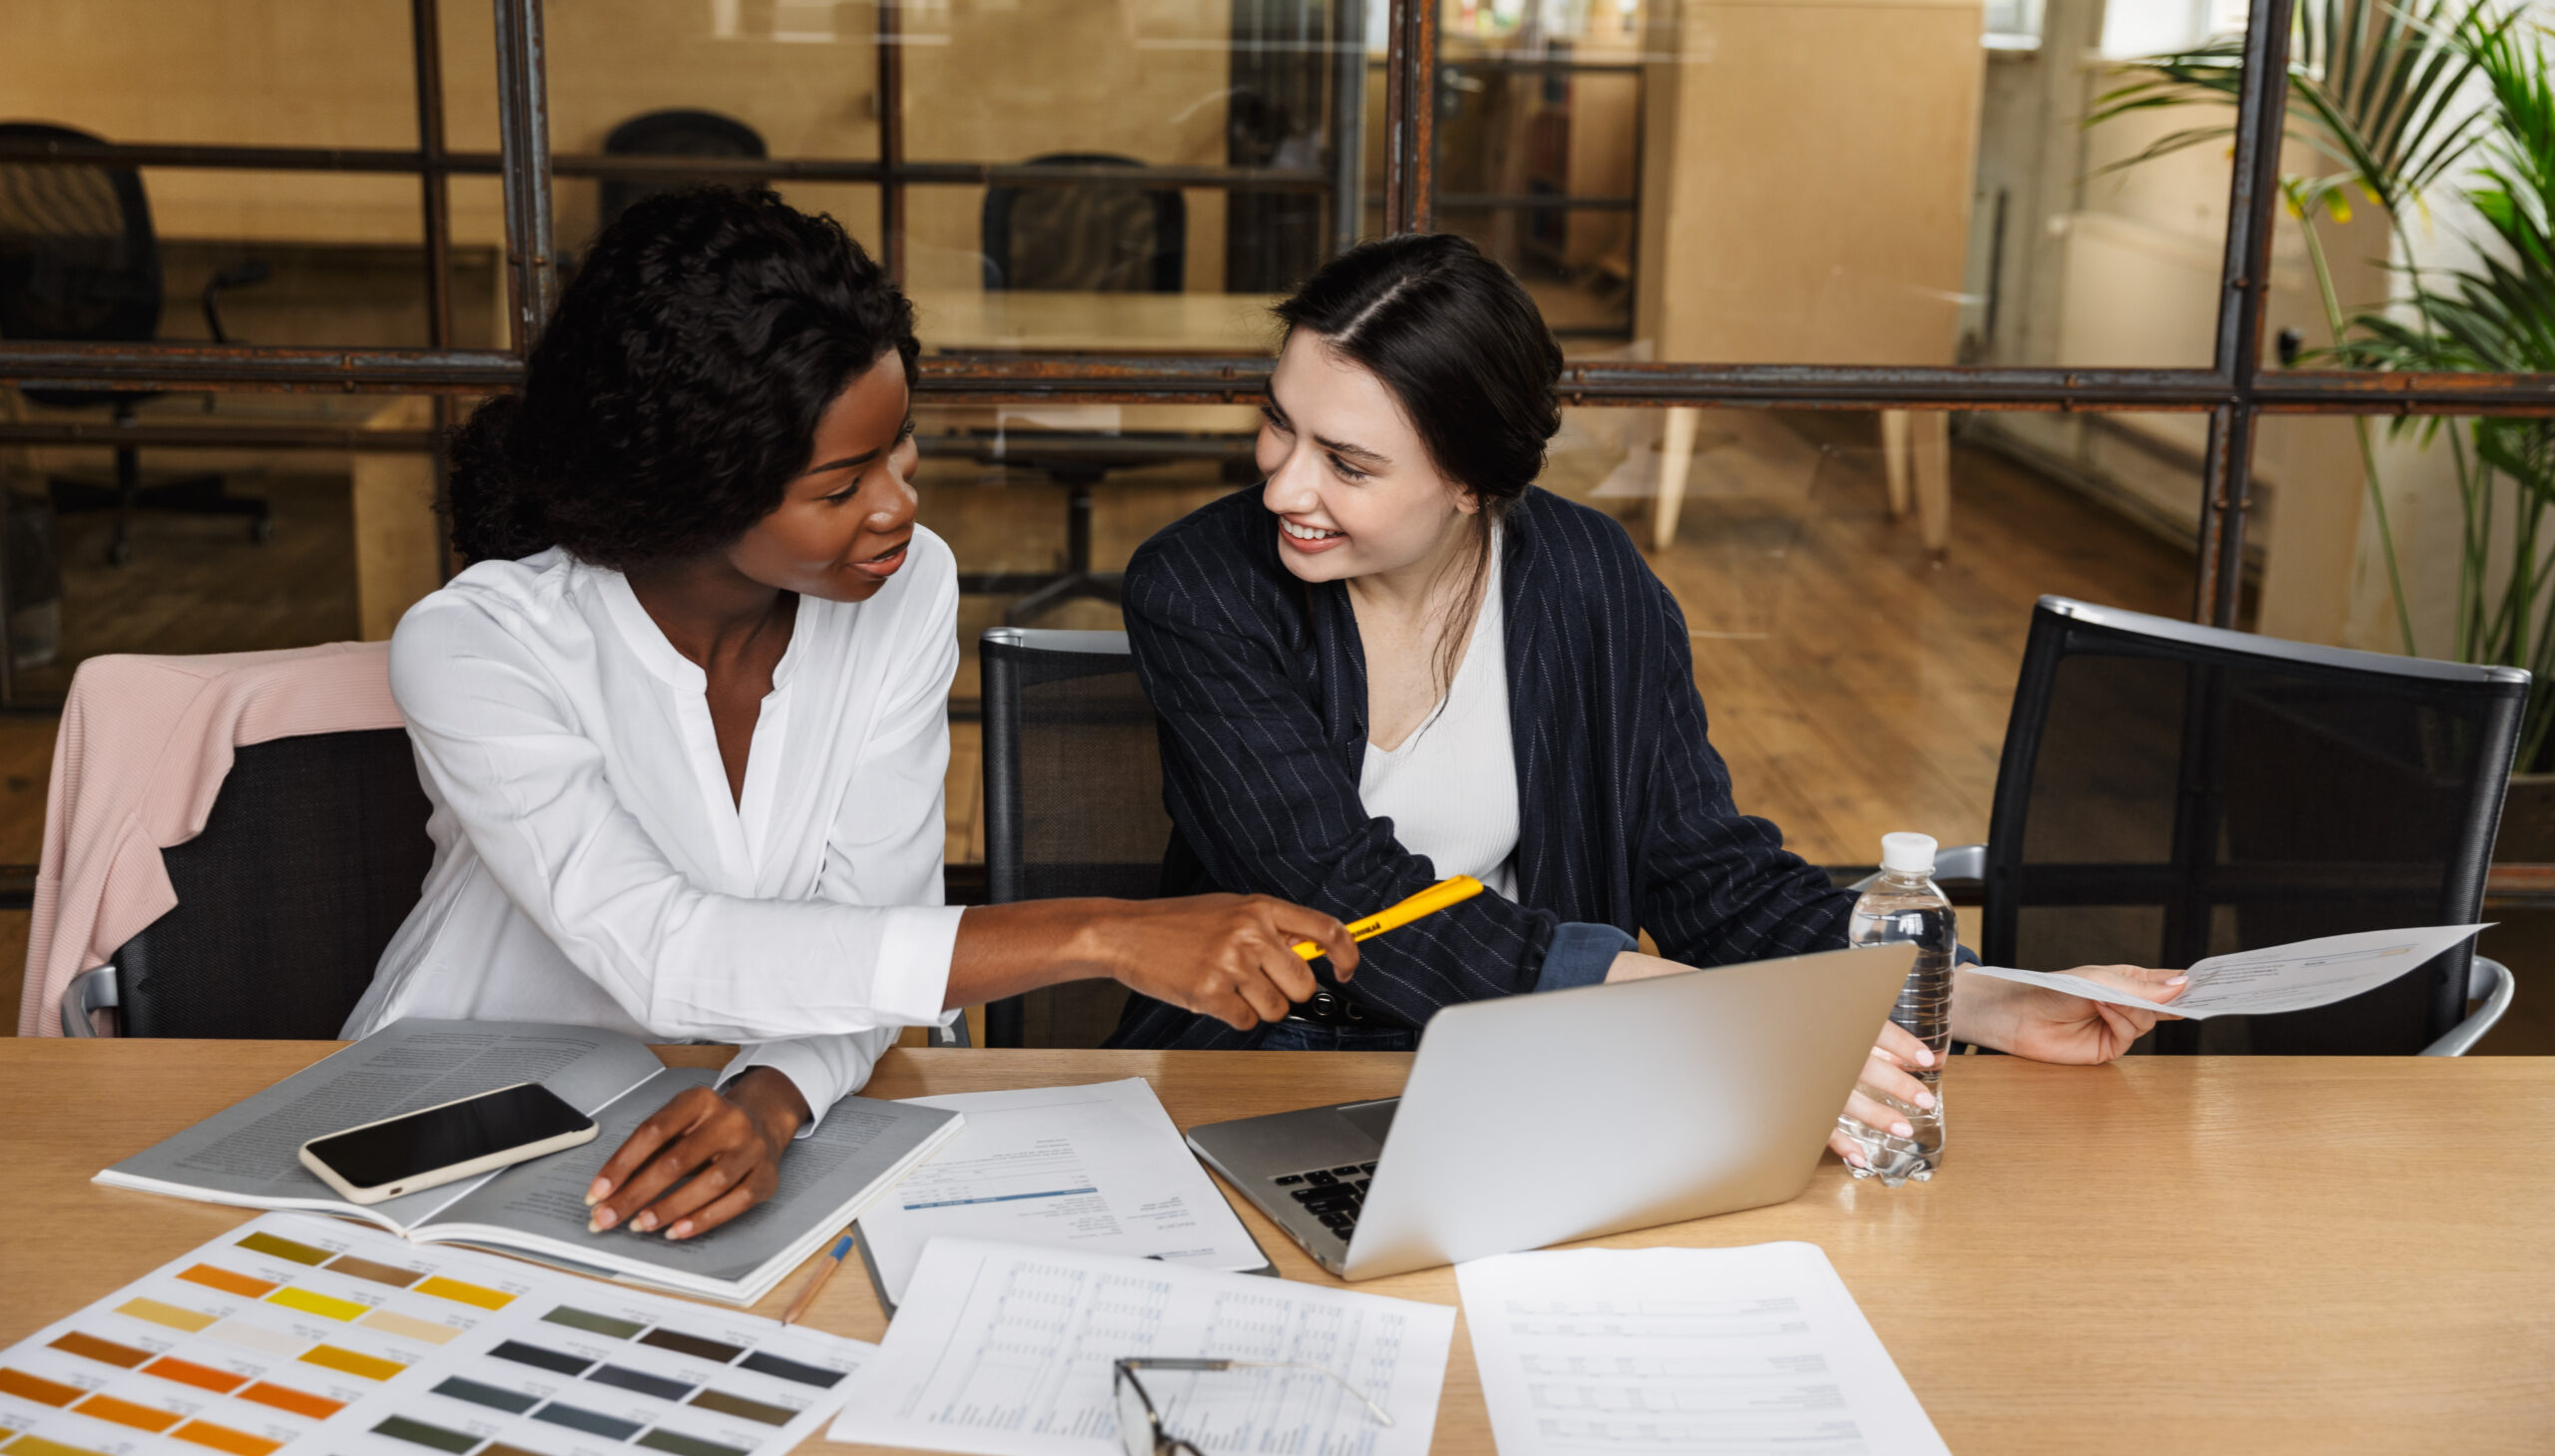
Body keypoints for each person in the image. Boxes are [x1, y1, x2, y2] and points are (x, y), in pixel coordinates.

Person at [345, 188, 1357, 1240]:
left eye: (899, 445)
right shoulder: (478, 646)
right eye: (839, 486)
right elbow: (661, 954)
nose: (897, 505)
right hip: (450, 1118)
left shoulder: (907, 585)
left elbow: (874, 927)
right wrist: (1102, 934)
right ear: (694, 490)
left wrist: (770, 1103)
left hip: (708, 1103)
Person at [1108, 233, 2186, 1166]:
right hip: (1263, 1077)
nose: (1284, 485)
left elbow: (1703, 869)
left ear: (1470, 482)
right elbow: (1341, 897)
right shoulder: (1199, 587)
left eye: (1347, 463)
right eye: (1279, 425)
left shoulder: (1587, 576)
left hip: (1542, 1081)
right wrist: (1689, 1016)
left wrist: (1969, 993)